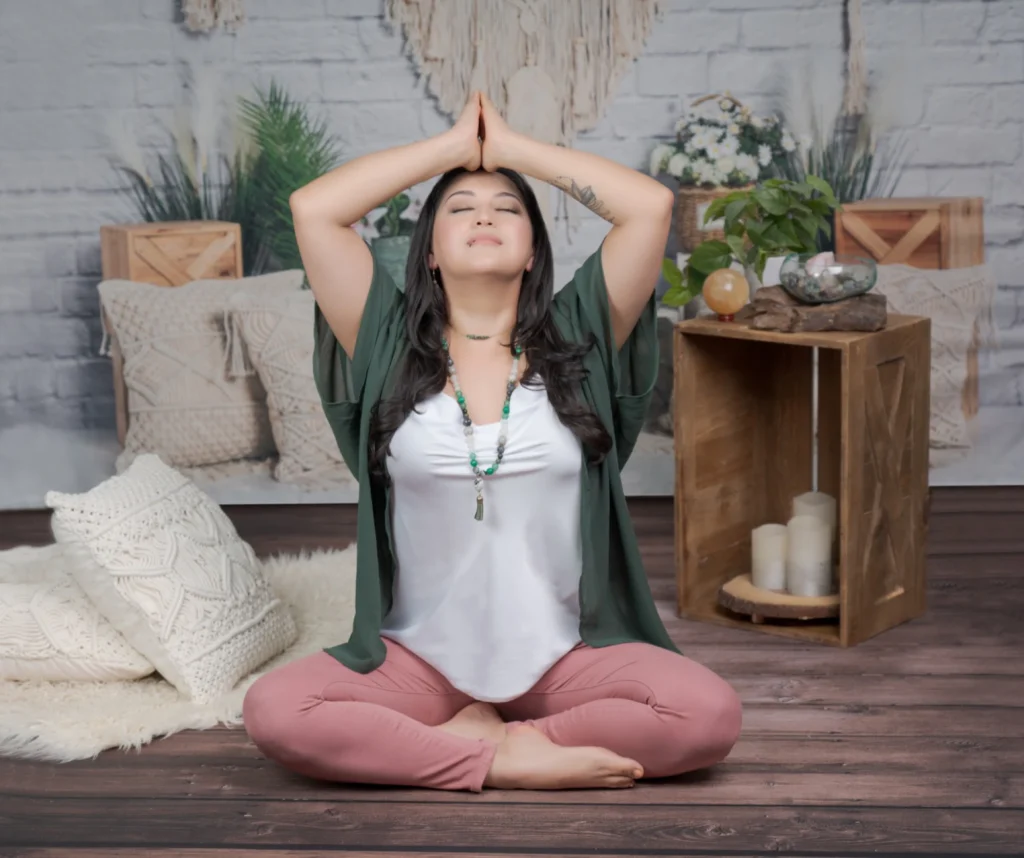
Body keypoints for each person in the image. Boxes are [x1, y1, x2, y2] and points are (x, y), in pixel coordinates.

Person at [242, 91, 742, 792]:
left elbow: (647, 209)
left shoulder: (581, 336)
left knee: (706, 715)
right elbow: (315, 210)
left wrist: (507, 148)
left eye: (508, 208)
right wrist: (455, 148)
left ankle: (496, 739)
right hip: (422, 662)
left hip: (564, 657)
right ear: (431, 254)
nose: (484, 214)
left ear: (535, 251)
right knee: (276, 711)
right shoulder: (384, 340)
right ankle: (501, 760)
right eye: (460, 208)